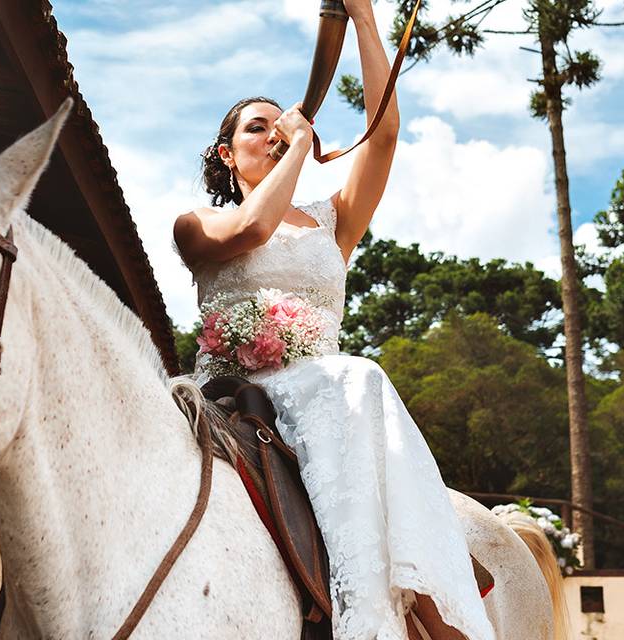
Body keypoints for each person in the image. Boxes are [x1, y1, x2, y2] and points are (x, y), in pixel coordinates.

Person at [172, 2, 495, 639]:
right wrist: (298, 141)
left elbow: (385, 135)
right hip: (238, 393)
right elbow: (255, 226)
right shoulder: (196, 224)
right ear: (225, 153)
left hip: (331, 392)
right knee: (360, 377)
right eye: (256, 130)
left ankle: (433, 615)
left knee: (357, 379)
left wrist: (365, 21)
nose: (271, 135)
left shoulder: (331, 221)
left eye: (278, 127)